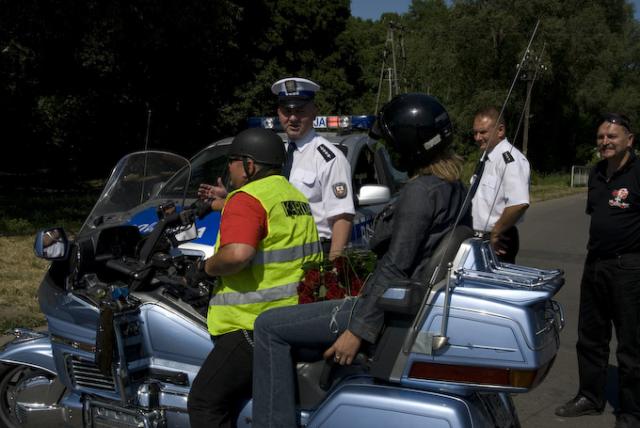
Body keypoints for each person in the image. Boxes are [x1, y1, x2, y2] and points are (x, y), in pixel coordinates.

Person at [251, 93, 472, 428]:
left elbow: (396, 266)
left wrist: (358, 329)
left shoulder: (419, 192)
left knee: (268, 325)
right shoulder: (454, 187)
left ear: (410, 145)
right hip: (406, 301)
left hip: (384, 306)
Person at [187, 128, 322, 428]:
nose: (230, 169)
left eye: (233, 161)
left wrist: (204, 269)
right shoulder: (293, 196)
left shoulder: (247, 198)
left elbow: (237, 254)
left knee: (204, 401)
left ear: (249, 164)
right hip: (294, 319)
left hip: (249, 324)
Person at [199, 77, 356, 260]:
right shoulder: (273, 151)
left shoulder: (329, 158)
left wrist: (332, 270)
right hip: (277, 251)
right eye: (286, 111)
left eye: (300, 111)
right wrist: (230, 197)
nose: (293, 118)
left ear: (314, 112)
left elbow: (342, 218)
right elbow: (268, 200)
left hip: (314, 255)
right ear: (278, 112)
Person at [554, 113, 639, 428]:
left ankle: (631, 411)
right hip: (595, 265)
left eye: (612, 136)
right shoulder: (596, 173)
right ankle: (590, 396)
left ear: (629, 140)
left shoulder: (638, 172)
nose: (605, 142)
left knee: (630, 344)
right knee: (590, 337)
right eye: (601, 137)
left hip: (629, 267)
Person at [470, 106, 530, 263]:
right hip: (480, 238)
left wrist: (496, 232)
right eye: (475, 132)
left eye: (483, 132)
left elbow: (519, 203)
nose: (477, 137)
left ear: (500, 130)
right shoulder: (487, 158)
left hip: (497, 239)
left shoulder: (509, 159)